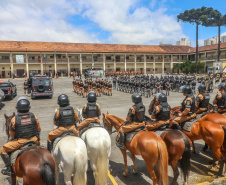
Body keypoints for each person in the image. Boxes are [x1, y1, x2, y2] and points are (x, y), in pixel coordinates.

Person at [0, 98, 41, 175]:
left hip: (20, 142)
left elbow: (11, 135)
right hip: (34, 140)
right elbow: (39, 129)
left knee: (3, 150)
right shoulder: (34, 116)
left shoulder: (14, 119)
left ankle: (9, 169)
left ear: (18, 108)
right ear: (28, 107)